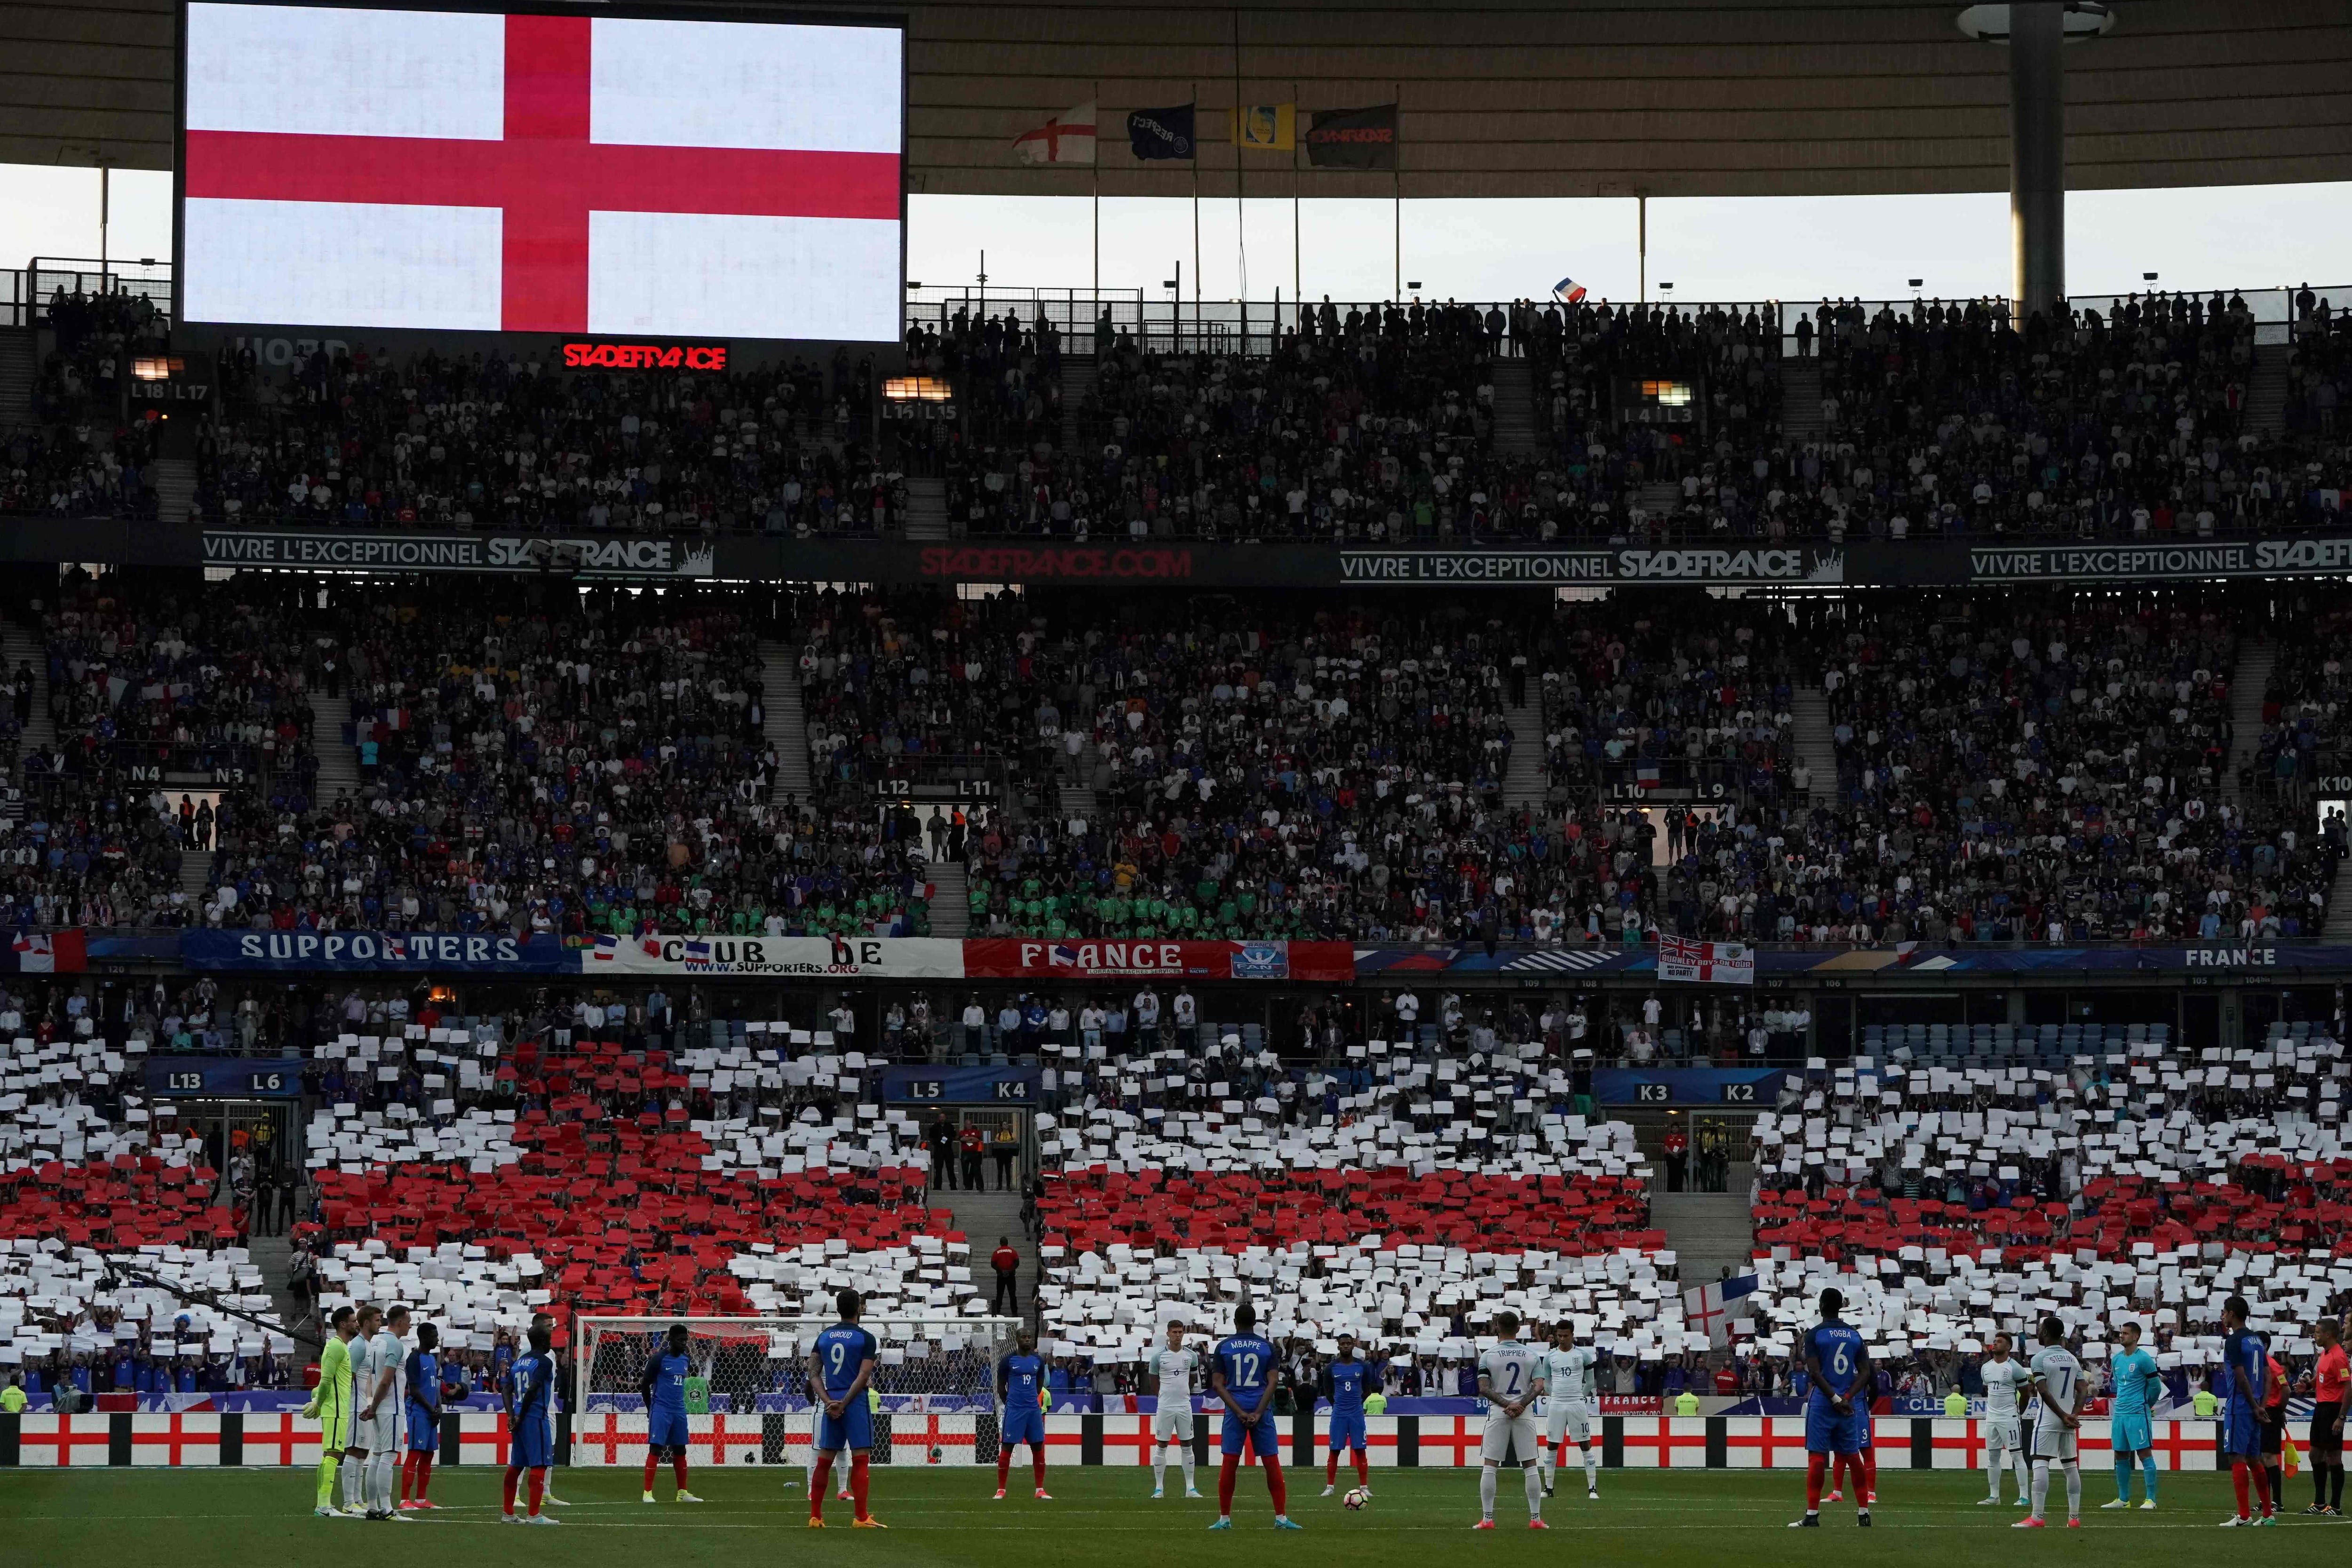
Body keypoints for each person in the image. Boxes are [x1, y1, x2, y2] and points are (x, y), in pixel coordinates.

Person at [1208, 1303, 1299, 1529]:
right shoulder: (1267, 1347)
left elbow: (1218, 1384)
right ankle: (1281, 1518)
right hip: (1262, 1407)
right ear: (1255, 1323)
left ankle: (1224, 1520)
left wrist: (1239, 1412)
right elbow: (1274, 1382)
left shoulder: (1224, 1347)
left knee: (1230, 1463)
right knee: (1271, 1462)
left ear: (1235, 1322)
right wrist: (1258, 1412)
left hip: (1235, 1407)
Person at [1791, 1287, 1868, 1528]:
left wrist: (1834, 1399)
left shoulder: (1815, 1334)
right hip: (1848, 1404)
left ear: (1822, 1306)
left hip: (1824, 1404)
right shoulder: (1854, 1335)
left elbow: (1815, 1373)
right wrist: (1846, 1397)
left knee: (1817, 1457)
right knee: (1853, 1457)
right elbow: (1865, 1372)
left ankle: (1812, 1516)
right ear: (1841, 1306)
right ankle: (1864, 1514)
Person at [807, 1289, 883, 1528]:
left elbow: (812, 1373)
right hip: (855, 1402)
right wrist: (845, 1402)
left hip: (831, 1402)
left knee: (824, 1460)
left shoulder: (824, 1337)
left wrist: (828, 1401)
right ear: (859, 1308)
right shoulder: (866, 1338)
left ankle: (815, 1517)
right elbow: (864, 1375)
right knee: (860, 1459)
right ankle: (861, 1517)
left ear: (838, 1309)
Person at [1473, 1310, 1545, 1530]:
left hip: (1499, 1412)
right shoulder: (1532, 1355)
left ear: (1497, 1327)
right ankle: (1535, 1519)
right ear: (1518, 1329)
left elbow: (1483, 1388)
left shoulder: (1488, 1355)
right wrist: (1520, 1405)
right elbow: (1539, 1386)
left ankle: (1487, 1519)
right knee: (1530, 1465)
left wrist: (1507, 1404)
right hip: (1524, 1412)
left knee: (1491, 1465)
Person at [2017, 1314, 2082, 1530]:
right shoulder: (2072, 1359)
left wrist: (2063, 1415)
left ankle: (2037, 1516)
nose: (2038, 1331)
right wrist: (2073, 1415)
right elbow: (2083, 1389)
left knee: (2040, 1462)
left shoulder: (2040, 1359)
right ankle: (2074, 1518)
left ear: (2045, 1332)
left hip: (2049, 1418)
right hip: (2069, 1420)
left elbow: (2043, 1391)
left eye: (2040, 1328)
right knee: (2071, 1466)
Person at [2218, 1294, 2275, 1526]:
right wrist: (2261, 1406)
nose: (2222, 1316)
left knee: (2236, 1457)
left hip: (2240, 1407)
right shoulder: (2257, 1341)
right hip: (2255, 1407)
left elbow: (2241, 1377)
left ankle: (2243, 1515)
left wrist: (2253, 1406)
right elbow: (2268, 1375)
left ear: (2232, 1314)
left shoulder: (2234, 1341)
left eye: (2224, 1312)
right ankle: (2268, 1515)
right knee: (2254, 1458)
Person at [302, 1306, 358, 1519]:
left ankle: (323, 1504)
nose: (356, 1324)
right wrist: (318, 1403)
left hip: (337, 1409)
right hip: (335, 1409)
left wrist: (317, 1398)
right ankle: (324, 1506)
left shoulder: (341, 1347)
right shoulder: (335, 1347)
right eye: (353, 1321)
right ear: (343, 1324)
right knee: (334, 1454)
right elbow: (325, 1380)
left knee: (329, 1455)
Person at [501, 1321, 559, 1525]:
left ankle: (508, 1513)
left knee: (516, 1464)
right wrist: (521, 1415)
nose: (551, 1342)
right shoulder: (544, 1362)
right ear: (543, 1341)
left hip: (518, 1416)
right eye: (549, 1338)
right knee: (540, 1464)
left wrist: (512, 1416)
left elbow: (506, 1390)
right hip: (535, 1416)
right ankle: (534, 1515)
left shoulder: (519, 1362)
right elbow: (534, 1389)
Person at [640, 1323, 703, 1504]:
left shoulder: (685, 1359)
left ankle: (682, 1493)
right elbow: (645, 1384)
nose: (684, 1343)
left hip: (679, 1410)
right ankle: (647, 1493)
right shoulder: (659, 1359)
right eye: (681, 1340)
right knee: (656, 1449)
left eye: (686, 1340)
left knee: (681, 1449)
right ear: (671, 1340)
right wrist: (650, 1408)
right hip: (661, 1409)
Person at [2103, 1321, 2161, 1511]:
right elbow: (2120, 1385)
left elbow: (2156, 1387)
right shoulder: (2117, 1360)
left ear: (2136, 1337)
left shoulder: (2144, 1359)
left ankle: (2151, 1499)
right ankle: (2123, 1499)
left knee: (2144, 1454)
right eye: (2121, 1333)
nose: (2122, 1336)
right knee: (2120, 1455)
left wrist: (2146, 1405)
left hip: (2137, 1413)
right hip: (2120, 1413)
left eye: (2126, 1333)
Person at [1538, 1319, 1599, 1500]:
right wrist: (1554, 1396)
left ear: (1572, 1335)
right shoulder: (1550, 1357)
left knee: (1585, 1444)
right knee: (1552, 1445)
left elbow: (1590, 1382)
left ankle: (1592, 1489)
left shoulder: (1583, 1356)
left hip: (1576, 1404)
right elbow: (1546, 1381)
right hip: (1557, 1404)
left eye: (1566, 1336)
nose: (1562, 1339)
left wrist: (1581, 1396)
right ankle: (1548, 1488)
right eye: (1559, 1336)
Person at [994, 1329, 1050, 1501]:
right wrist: (1011, 1403)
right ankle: (1001, 1490)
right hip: (1015, 1410)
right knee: (1007, 1448)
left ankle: (1040, 1489)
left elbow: (1040, 1384)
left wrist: (1030, 1399)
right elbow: (1001, 1386)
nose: (1027, 1340)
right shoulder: (1008, 1361)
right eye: (1024, 1337)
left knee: (1038, 1448)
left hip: (1033, 1410)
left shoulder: (1038, 1361)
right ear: (1017, 1339)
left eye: (1029, 1337)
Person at [1148, 1321, 1201, 1500]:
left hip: (1184, 1406)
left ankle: (1190, 1488)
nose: (1178, 1335)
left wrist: (1182, 1394)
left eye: (1180, 1332)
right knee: (1161, 1445)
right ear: (1168, 1334)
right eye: (1175, 1332)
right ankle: (1159, 1489)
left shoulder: (1191, 1356)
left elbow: (1192, 1380)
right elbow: (1153, 1382)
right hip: (1165, 1407)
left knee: (1187, 1444)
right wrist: (1164, 1397)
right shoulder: (1158, 1357)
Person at [1978, 1331, 2031, 1507]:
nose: (1995, 1344)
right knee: (1993, 1456)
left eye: (1999, 1342)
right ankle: (1994, 1496)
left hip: (2009, 1416)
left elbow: (2026, 1394)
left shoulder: (2015, 1368)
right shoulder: (1986, 1368)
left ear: (2008, 1347)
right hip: (1991, 1417)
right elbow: (1989, 1389)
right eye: (1994, 1341)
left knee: (2017, 1455)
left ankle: (2024, 1496)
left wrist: (2018, 1413)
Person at [1319, 1332, 1372, 1499]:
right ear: (1339, 1346)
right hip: (1339, 1414)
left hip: (1356, 1413)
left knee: (1360, 1449)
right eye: (1343, 1344)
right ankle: (1330, 1487)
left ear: (1353, 1345)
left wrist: (1357, 1404)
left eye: (1349, 1343)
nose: (1346, 1346)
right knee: (1334, 1450)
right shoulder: (1331, 1368)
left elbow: (1367, 1390)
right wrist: (1338, 1405)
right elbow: (1328, 1392)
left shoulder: (1362, 1366)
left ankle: (1364, 1487)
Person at [398, 1321, 443, 1512]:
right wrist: (431, 1409)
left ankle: (421, 1499)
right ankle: (404, 1500)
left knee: (429, 1454)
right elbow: (414, 1390)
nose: (437, 1339)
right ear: (424, 1337)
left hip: (431, 1413)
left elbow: (435, 1386)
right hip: (419, 1413)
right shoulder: (414, 1359)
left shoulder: (432, 1359)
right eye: (434, 1336)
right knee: (415, 1453)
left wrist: (438, 1407)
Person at [2306, 1317, 2347, 1516]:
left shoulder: (2339, 1357)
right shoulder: (2325, 1353)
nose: (2315, 1336)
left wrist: (2341, 1417)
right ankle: (2320, 1502)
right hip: (2321, 1407)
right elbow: (2322, 1377)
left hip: (2333, 1409)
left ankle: (2336, 1506)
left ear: (2328, 1335)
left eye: (2317, 1333)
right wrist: (2308, 1385)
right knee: (2315, 1454)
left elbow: (2348, 1386)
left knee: (2333, 1456)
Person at [990, 1236, 1021, 1315]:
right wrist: (1010, 1271)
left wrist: (1001, 1271)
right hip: (1011, 1276)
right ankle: (1015, 1312)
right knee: (1012, 1294)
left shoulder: (997, 1252)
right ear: (1007, 1243)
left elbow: (993, 1264)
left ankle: (997, 1310)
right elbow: (1017, 1263)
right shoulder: (1013, 1251)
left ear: (1000, 1243)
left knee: (1000, 1294)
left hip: (1001, 1276)